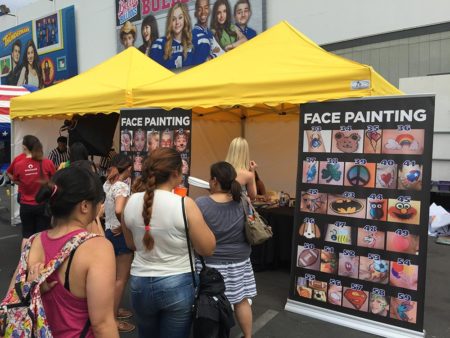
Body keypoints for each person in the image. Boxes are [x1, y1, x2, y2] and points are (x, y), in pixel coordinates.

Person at [9, 166, 119, 338]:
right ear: (84, 206)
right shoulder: (98, 249)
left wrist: (34, 288)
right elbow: (102, 324)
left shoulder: (32, 242)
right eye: (99, 201)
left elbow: (13, 297)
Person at [122, 147, 216, 338]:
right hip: (177, 283)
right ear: (175, 173)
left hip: (139, 282)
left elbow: (131, 244)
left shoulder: (130, 201)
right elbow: (207, 248)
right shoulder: (184, 204)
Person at [196, 161, 256, 338]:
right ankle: (248, 336)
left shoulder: (201, 203)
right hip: (240, 261)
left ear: (214, 181)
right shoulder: (243, 201)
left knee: (209, 304)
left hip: (210, 264)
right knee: (241, 301)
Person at [103, 154, 135, 333]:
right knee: (121, 279)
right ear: (128, 168)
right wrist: (124, 227)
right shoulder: (122, 186)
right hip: (119, 235)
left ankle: (114, 310)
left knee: (115, 278)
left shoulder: (109, 183)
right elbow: (119, 209)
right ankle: (112, 319)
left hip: (109, 232)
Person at [8, 135, 55, 247]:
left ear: (24, 147)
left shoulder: (19, 165)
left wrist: (24, 183)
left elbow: (15, 179)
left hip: (26, 206)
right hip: (43, 206)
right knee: (42, 236)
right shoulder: (47, 163)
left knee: (27, 236)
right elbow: (54, 181)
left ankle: (24, 262)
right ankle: (40, 261)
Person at [150, 3, 195, 69]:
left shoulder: (193, 41)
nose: (177, 22)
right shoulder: (160, 44)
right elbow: (153, 71)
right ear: (170, 22)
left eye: (180, 18)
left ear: (185, 19)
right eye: (173, 19)